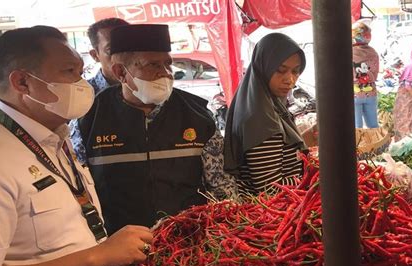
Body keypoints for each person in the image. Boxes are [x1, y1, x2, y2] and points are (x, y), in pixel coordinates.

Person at [0, 26, 153, 266]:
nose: (81, 82)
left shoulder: (52, 135)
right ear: (23, 82)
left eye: (81, 71)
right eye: (69, 72)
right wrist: (98, 256)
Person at [77, 24, 237, 234]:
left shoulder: (198, 117)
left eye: (167, 64)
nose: (165, 74)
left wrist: (224, 233)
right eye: (152, 65)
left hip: (188, 244)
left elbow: (222, 187)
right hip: (118, 249)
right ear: (120, 72)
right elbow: (80, 192)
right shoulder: (89, 119)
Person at [223, 33, 307, 198]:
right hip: (271, 213)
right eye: (280, 70)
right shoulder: (261, 118)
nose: (289, 79)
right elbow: (271, 190)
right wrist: (312, 178)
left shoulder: (265, 103)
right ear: (263, 67)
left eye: (296, 71)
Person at [70, 18, 129, 164]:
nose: (123, 56)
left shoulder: (155, 93)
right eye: (111, 50)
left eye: (129, 47)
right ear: (95, 55)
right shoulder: (82, 96)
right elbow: (79, 161)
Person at [352, 22, 379, 128]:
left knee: (356, 128)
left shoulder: (348, 52)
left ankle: (358, 145)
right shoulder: (373, 52)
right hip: (371, 92)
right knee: (373, 126)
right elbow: (375, 75)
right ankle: (377, 144)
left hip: (354, 94)